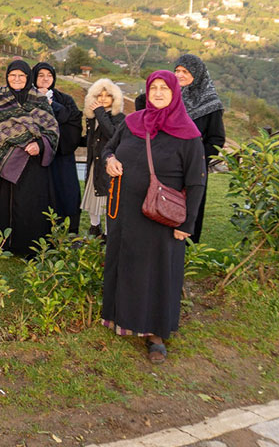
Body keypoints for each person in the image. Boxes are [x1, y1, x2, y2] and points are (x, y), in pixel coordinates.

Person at [101, 71, 205, 364]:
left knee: (157, 271)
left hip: (161, 218)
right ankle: (122, 318)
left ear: (175, 93)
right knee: (126, 262)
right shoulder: (133, 123)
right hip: (125, 211)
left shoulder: (188, 134)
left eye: (164, 88)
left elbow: (196, 183)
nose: (158, 93)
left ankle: (156, 335)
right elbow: (109, 149)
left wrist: (187, 225)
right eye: (153, 88)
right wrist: (109, 161)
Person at [0, 60, 60, 258]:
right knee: (3, 205)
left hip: (32, 164)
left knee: (31, 205)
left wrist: (40, 145)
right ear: (7, 77)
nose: (16, 79)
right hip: (5, 161)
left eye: (21, 76)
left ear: (28, 78)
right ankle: (2, 243)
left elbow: (52, 130)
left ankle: (29, 246)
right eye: (12, 75)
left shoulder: (39, 99)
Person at [173, 54, 226, 243]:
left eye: (185, 71)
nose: (179, 75)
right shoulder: (170, 97)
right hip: (169, 164)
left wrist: (199, 159)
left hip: (193, 167)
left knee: (191, 208)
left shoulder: (210, 103)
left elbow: (216, 138)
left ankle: (187, 251)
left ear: (197, 74)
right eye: (177, 70)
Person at [32, 62, 83, 234]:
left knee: (66, 191)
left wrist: (51, 104)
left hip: (61, 155)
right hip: (35, 156)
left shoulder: (64, 99)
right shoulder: (27, 97)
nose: (45, 78)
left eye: (49, 75)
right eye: (41, 75)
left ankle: (68, 231)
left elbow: (74, 122)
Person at [81, 78, 125, 239]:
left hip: (108, 164)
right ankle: (94, 228)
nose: (103, 98)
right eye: (100, 95)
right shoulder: (92, 118)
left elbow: (113, 136)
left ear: (115, 99)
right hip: (94, 164)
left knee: (107, 200)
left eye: (108, 95)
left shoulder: (119, 117)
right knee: (92, 197)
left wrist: (100, 113)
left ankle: (107, 234)